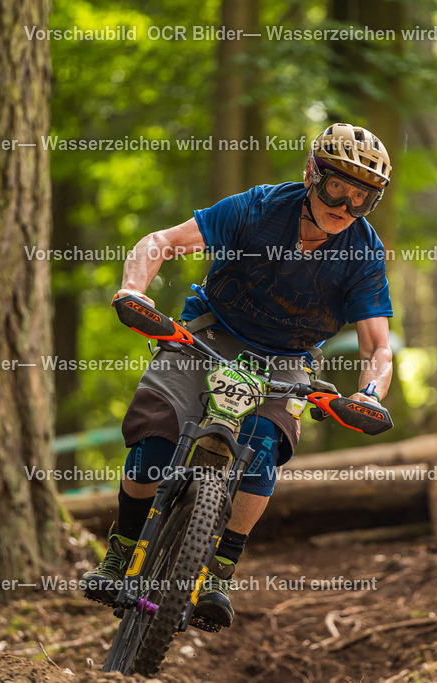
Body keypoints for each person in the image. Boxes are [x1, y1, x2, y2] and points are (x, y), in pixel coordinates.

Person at [82, 122, 395, 630]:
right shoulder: (258, 208)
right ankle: (120, 553)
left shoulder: (362, 251)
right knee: (155, 434)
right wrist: (135, 292)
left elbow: (377, 345)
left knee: (264, 447)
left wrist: (370, 394)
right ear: (313, 175)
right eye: (338, 186)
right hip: (208, 334)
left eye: (362, 197)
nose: (345, 206)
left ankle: (220, 573)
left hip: (288, 357)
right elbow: (160, 241)